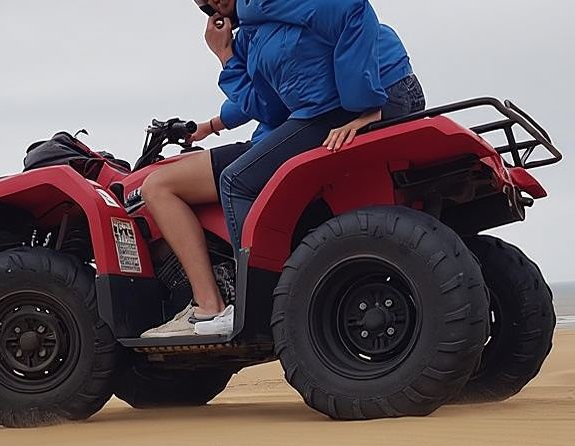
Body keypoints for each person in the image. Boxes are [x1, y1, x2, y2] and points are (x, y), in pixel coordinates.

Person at [141, 0, 424, 338]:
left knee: (236, 182)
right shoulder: (251, 32)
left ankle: (263, 305)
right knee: (250, 165)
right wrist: (224, 70)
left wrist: (363, 106)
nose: (212, 2)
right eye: (203, 3)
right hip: (336, 106)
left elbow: (351, 8)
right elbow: (269, 106)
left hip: (378, 92)